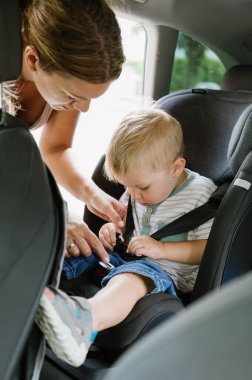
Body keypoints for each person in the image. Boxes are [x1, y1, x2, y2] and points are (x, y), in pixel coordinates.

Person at [35, 107, 217, 367]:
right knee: (77, 251)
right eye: (127, 187)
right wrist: (111, 230)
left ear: (176, 168)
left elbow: (209, 249)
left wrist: (162, 250)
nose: (134, 195)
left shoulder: (201, 195)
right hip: (126, 258)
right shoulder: (137, 186)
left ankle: (84, 323)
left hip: (165, 276)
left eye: (141, 188)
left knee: (133, 277)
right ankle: (35, 296)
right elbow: (126, 225)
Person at [3, 0, 126, 262]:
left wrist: (93, 195)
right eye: (73, 96)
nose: (83, 109)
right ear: (33, 59)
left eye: (90, 98)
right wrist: (51, 214)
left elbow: (55, 148)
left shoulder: (67, 73)